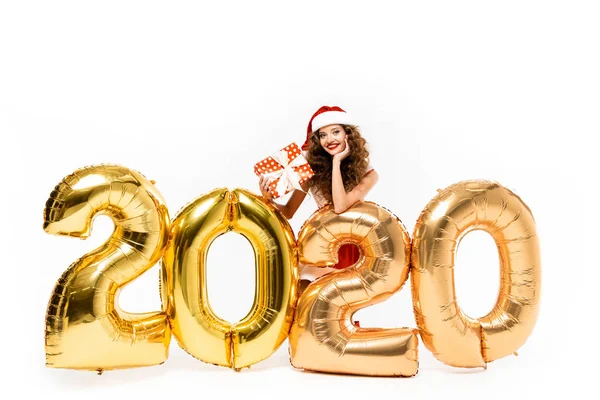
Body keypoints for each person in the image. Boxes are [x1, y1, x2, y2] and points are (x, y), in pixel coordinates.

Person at [259, 105, 379, 292]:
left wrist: (337, 162)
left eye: (335, 132)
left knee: (338, 305)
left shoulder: (368, 174)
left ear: (348, 134)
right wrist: (269, 200)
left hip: (351, 244)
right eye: (323, 135)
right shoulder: (311, 172)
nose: (329, 139)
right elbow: (289, 212)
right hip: (321, 242)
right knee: (304, 296)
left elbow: (340, 207)